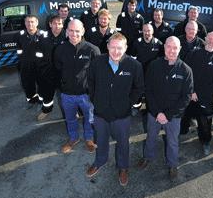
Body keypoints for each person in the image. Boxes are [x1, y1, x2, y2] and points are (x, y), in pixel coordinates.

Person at [86, 33, 144, 187]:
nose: (116, 51)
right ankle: (100, 161)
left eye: (120, 48)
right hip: (101, 113)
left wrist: (128, 103)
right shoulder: (97, 62)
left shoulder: (134, 65)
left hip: (122, 114)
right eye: (113, 47)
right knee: (101, 140)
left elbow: (139, 88)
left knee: (123, 143)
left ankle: (123, 167)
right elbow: (90, 83)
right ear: (108, 47)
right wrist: (96, 100)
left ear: (125, 48)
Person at [138, 36, 193, 180]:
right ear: (164, 48)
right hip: (154, 113)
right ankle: (148, 157)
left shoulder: (186, 70)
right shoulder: (154, 65)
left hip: (173, 116)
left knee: (173, 141)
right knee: (150, 137)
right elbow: (148, 90)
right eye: (169, 46)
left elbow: (186, 97)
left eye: (175, 47)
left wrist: (167, 115)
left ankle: (173, 164)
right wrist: (157, 112)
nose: (172, 50)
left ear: (180, 49)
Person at [54, 19, 100, 154]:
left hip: (87, 95)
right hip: (67, 95)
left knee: (89, 118)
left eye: (77, 31)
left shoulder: (92, 50)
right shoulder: (60, 49)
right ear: (67, 32)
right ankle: (73, 138)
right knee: (70, 119)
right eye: (71, 31)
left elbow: (98, 73)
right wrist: (62, 87)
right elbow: (57, 70)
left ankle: (89, 138)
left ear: (83, 31)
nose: (74, 34)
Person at [180, 32, 213, 155]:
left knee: (204, 123)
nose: (211, 41)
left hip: (205, 98)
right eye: (209, 38)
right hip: (189, 93)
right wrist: (191, 91)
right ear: (205, 39)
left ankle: (205, 141)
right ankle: (182, 131)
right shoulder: (193, 53)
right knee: (184, 115)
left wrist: (199, 94)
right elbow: (185, 73)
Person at [35, 15, 66, 121]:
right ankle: (46, 110)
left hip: (63, 72)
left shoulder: (68, 37)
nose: (57, 26)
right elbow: (38, 56)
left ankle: (72, 110)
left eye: (60, 23)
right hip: (48, 72)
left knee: (67, 93)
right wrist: (42, 70)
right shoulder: (43, 38)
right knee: (48, 93)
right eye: (55, 23)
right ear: (50, 24)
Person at [16, 15, 45, 106]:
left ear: (37, 23)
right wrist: (22, 62)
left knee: (42, 83)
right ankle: (31, 99)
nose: (30, 24)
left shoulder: (44, 35)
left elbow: (47, 51)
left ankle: (42, 99)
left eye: (32, 22)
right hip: (26, 65)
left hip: (40, 65)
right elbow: (19, 50)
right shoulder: (20, 35)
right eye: (28, 22)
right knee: (27, 84)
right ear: (25, 23)